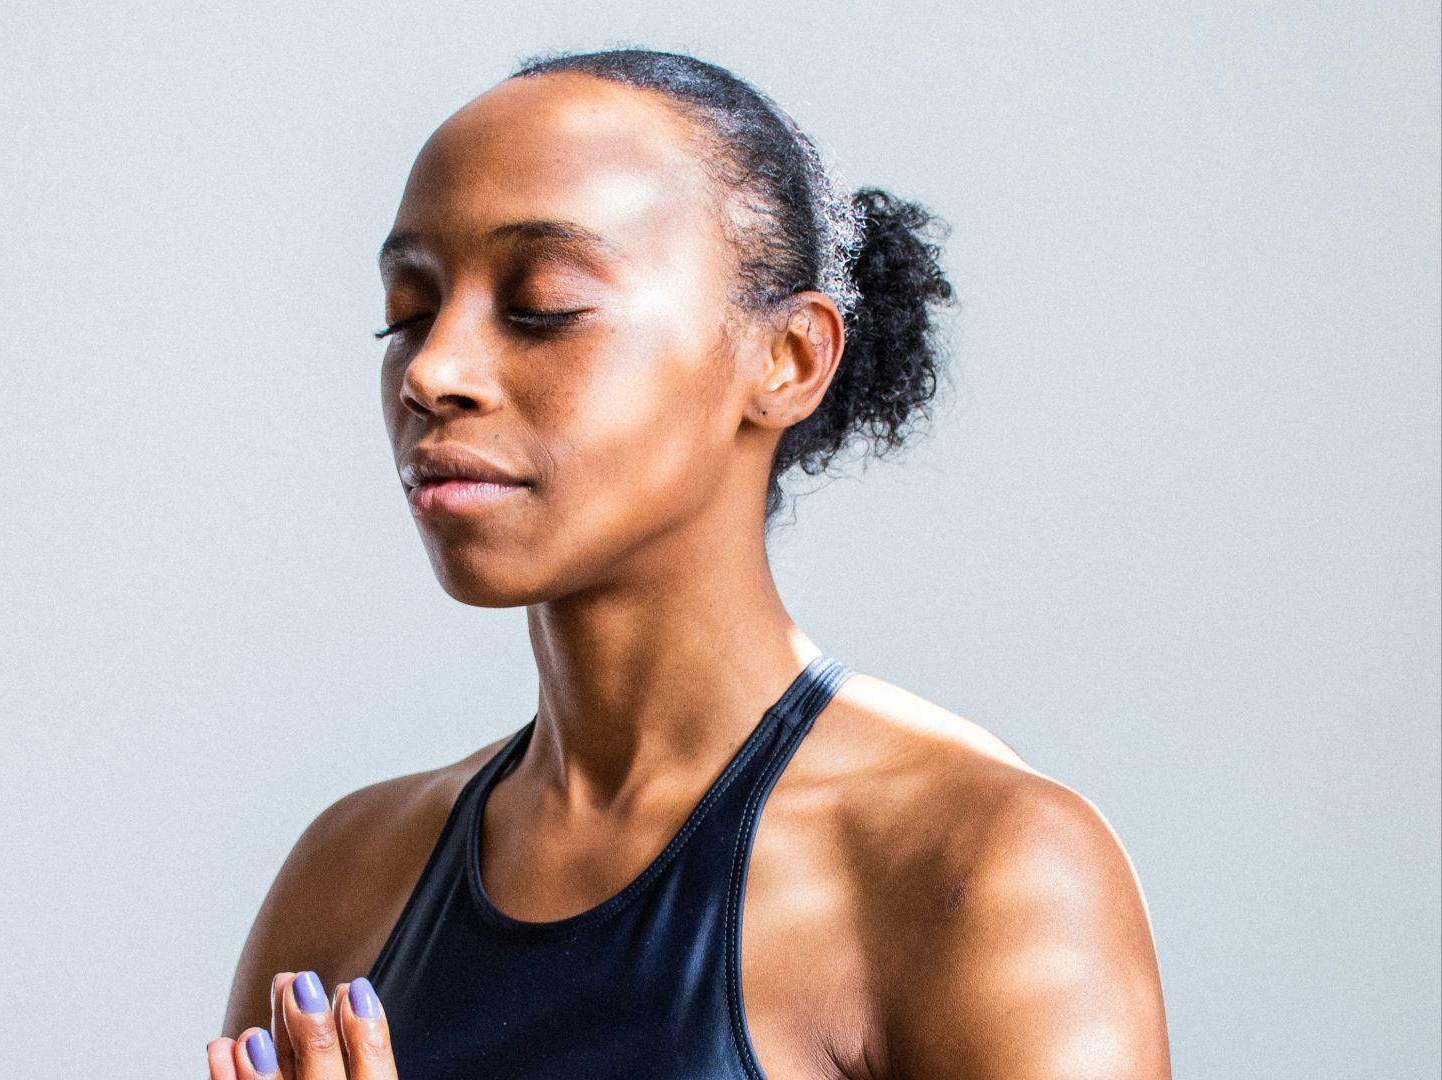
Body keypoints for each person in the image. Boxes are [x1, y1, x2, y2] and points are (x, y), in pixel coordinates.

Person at [204, 47, 1170, 1080]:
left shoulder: (984, 868)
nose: (434, 370)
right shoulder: (349, 879)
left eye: (542, 306)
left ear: (787, 358)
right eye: (409, 311)